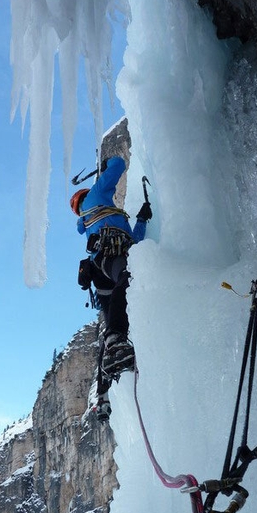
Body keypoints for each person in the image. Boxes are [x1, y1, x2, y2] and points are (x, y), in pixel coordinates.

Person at [70, 156, 152, 420]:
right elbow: (118, 165)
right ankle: (117, 342)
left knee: (111, 320)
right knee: (127, 278)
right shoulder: (96, 196)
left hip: (103, 269)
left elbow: (134, 241)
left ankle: (103, 394)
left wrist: (141, 220)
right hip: (113, 256)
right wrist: (106, 164)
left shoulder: (92, 223)